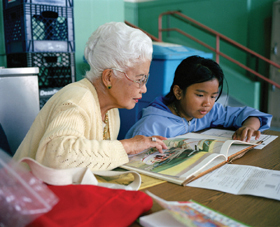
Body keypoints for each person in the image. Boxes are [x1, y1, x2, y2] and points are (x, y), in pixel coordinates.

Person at [13, 22, 167, 170]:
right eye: (140, 80)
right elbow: (57, 157)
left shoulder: (111, 111)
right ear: (108, 77)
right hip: (24, 193)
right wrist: (128, 145)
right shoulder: (78, 97)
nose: (144, 89)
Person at [125, 55, 272, 142]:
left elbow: (252, 115)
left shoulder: (209, 112)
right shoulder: (151, 126)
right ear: (178, 92)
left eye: (213, 96)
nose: (207, 103)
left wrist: (250, 127)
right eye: (200, 95)